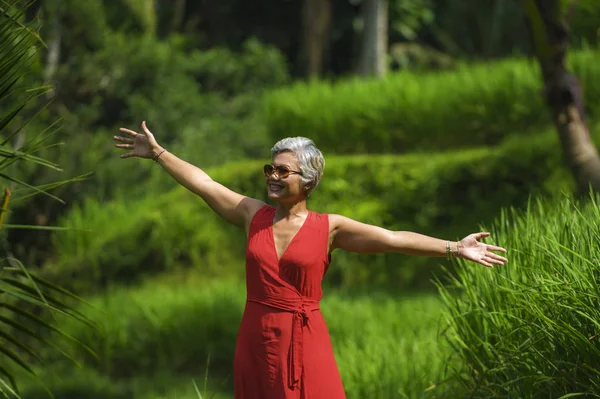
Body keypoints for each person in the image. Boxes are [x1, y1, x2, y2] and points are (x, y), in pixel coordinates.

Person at [114, 121, 508, 399]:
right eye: (270, 168)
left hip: (304, 336)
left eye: (283, 170)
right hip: (256, 334)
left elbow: (392, 239)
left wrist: (455, 247)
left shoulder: (329, 227)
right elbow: (204, 183)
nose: (272, 175)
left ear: (308, 180)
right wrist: (159, 154)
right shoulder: (254, 215)